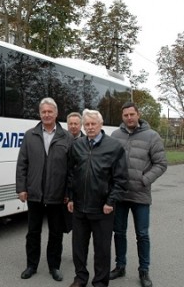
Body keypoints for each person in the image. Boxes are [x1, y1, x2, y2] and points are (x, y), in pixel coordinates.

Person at [67, 109, 128, 287]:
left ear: (101, 125)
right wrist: (70, 197)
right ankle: (80, 278)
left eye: (94, 124)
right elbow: (70, 173)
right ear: (83, 126)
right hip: (79, 207)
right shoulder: (76, 145)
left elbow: (121, 178)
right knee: (79, 248)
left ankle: (100, 282)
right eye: (87, 124)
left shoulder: (114, 146)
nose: (90, 127)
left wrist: (111, 201)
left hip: (103, 208)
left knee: (102, 249)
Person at [110, 102, 167, 287]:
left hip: (140, 195)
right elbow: (108, 161)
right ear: (122, 116)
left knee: (142, 234)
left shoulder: (152, 136)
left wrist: (144, 179)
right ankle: (120, 266)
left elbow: (161, 164)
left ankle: (144, 270)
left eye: (132, 114)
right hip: (119, 194)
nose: (129, 118)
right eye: (125, 115)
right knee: (118, 232)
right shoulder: (115, 135)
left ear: (138, 114)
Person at [16, 97, 73, 282]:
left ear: (56, 114)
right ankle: (31, 265)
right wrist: (21, 188)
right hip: (34, 193)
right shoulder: (30, 135)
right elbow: (22, 164)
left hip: (57, 195)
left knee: (55, 234)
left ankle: (54, 266)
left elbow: (72, 169)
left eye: (50, 111)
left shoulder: (67, 138)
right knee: (33, 232)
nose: (47, 115)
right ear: (40, 114)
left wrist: (68, 193)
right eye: (43, 112)